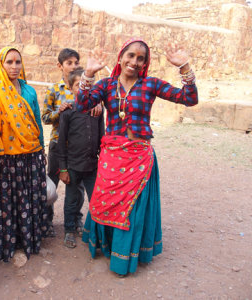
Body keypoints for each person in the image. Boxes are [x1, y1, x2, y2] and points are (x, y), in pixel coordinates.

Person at [77, 38, 198, 276]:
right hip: (112, 157)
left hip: (139, 157)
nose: (134, 62)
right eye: (130, 55)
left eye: (140, 58)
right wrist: (88, 74)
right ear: (121, 56)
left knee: (131, 209)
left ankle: (126, 255)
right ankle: (106, 245)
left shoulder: (150, 84)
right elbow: (82, 105)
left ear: (145, 62)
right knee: (107, 201)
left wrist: (184, 68)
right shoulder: (106, 85)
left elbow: (189, 99)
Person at [0, 47, 48, 262]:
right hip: (4, 158)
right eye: (9, 62)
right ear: (1, 64)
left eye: (18, 62)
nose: (15, 67)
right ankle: (8, 245)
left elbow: (36, 122)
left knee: (30, 199)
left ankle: (29, 241)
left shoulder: (29, 92)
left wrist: (41, 149)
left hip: (30, 155)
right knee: (6, 203)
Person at [42, 48, 102, 237]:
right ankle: (46, 221)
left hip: (81, 150)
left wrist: (98, 103)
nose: (74, 66)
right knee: (51, 184)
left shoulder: (86, 86)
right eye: (69, 63)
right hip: (58, 145)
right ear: (60, 66)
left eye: (76, 62)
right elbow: (44, 118)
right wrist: (58, 112)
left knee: (78, 188)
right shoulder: (54, 89)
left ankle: (75, 219)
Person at [57, 67, 105, 248]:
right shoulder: (67, 112)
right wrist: (63, 168)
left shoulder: (98, 112)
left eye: (89, 85)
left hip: (92, 166)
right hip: (73, 166)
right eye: (79, 85)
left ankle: (94, 231)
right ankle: (69, 230)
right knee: (71, 199)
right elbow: (62, 143)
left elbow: (102, 138)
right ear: (71, 88)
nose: (84, 88)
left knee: (96, 199)